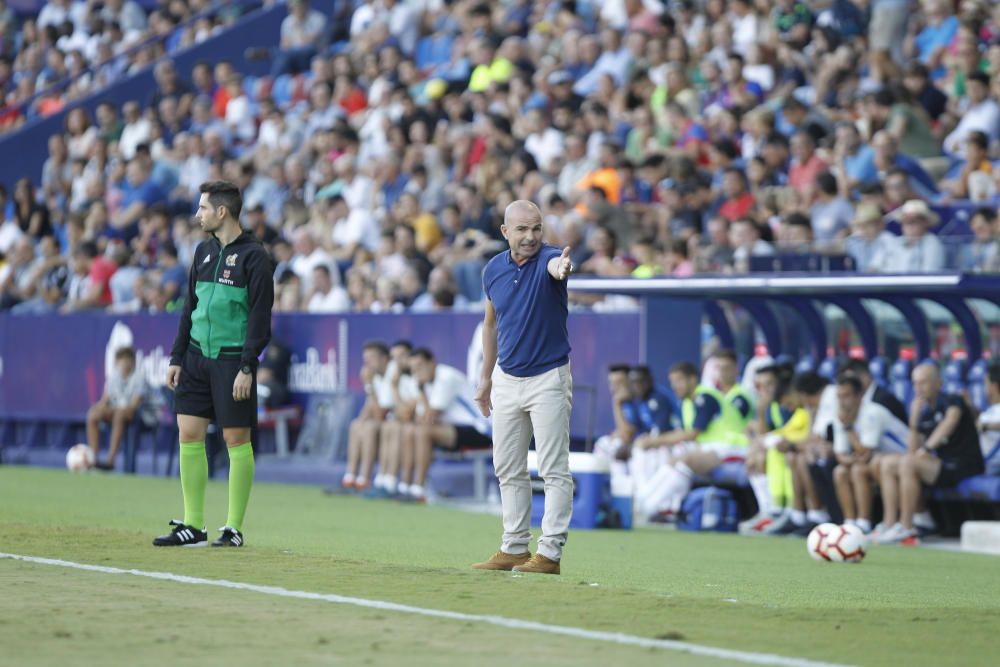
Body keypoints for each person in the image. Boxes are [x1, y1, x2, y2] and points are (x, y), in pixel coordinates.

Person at [154, 181, 275, 548]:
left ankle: (233, 528)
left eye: (203, 208)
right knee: (188, 434)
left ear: (222, 212)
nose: (198, 215)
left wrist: (247, 366)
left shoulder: (255, 257)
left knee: (236, 440)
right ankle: (193, 525)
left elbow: (260, 319)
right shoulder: (202, 251)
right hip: (194, 358)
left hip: (231, 362)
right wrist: (177, 357)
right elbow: (189, 308)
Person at [472, 200, 573, 575]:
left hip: (548, 377)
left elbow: (557, 267)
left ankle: (549, 554)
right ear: (505, 232)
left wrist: (562, 268)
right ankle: (514, 547)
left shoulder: (550, 259)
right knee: (508, 467)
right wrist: (486, 378)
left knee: (553, 469)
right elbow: (490, 324)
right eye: (522, 229)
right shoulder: (493, 269)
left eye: (536, 228)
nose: (531, 236)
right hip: (506, 378)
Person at [877, 363, 984, 544]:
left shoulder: (952, 400)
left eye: (923, 382)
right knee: (888, 463)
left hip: (963, 464)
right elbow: (911, 451)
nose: (918, 388)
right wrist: (913, 420)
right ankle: (889, 524)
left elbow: (950, 422)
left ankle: (907, 526)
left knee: (908, 463)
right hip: (940, 466)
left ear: (938, 383)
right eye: (915, 383)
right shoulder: (925, 412)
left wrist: (926, 449)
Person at [632, 361, 749, 523]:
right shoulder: (687, 403)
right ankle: (646, 503)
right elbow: (684, 433)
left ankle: (648, 507)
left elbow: (692, 434)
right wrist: (654, 441)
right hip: (713, 449)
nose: (675, 386)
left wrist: (655, 441)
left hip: (733, 448)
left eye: (679, 380)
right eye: (672, 382)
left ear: (693, 379)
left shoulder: (705, 396)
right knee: (676, 458)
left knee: (685, 459)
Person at [402, 348, 492, 502]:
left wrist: (420, 393)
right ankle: (405, 486)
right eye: (414, 369)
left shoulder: (445, 377)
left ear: (432, 362)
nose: (417, 372)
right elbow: (415, 418)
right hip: (454, 430)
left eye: (420, 366)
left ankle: (418, 489)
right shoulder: (425, 383)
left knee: (423, 432)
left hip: (480, 430)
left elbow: (428, 418)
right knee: (410, 431)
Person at [831, 373, 909, 535]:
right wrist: (852, 459)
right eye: (839, 396)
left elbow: (864, 453)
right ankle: (850, 522)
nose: (842, 401)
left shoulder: (872, 412)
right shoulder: (841, 414)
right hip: (878, 461)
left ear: (859, 396)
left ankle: (864, 522)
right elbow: (840, 455)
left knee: (858, 470)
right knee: (840, 472)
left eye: (846, 396)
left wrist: (848, 428)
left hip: (903, 456)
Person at [85, 346, 154, 470]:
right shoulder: (113, 377)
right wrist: (98, 408)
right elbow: (104, 400)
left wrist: (115, 410)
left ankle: (110, 462)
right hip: (117, 412)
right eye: (121, 360)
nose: (125, 363)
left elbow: (134, 406)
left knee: (120, 415)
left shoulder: (139, 377)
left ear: (133, 362)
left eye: (128, 360)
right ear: (117, 362)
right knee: (93, 414)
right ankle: (93, 460)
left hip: (141, 416)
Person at [338, 340, 393, 492]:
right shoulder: (376, 377)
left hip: (394, 423)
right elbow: (367, 412)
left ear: (384, 359)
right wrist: (360, 423)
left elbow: (380, 414)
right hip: (383, 421)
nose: (367, 363)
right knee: (356, 424)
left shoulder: (391, 374)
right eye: (365, 359)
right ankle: (350, 477)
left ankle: (364, 479)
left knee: (368, 427)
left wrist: (368, 385)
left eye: (371, 358)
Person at [976, 364, 1000, 476]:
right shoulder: (989, 410)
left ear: (993, 387)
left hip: (993, 468)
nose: (983, 388)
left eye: (985, 383)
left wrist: (986, 426)